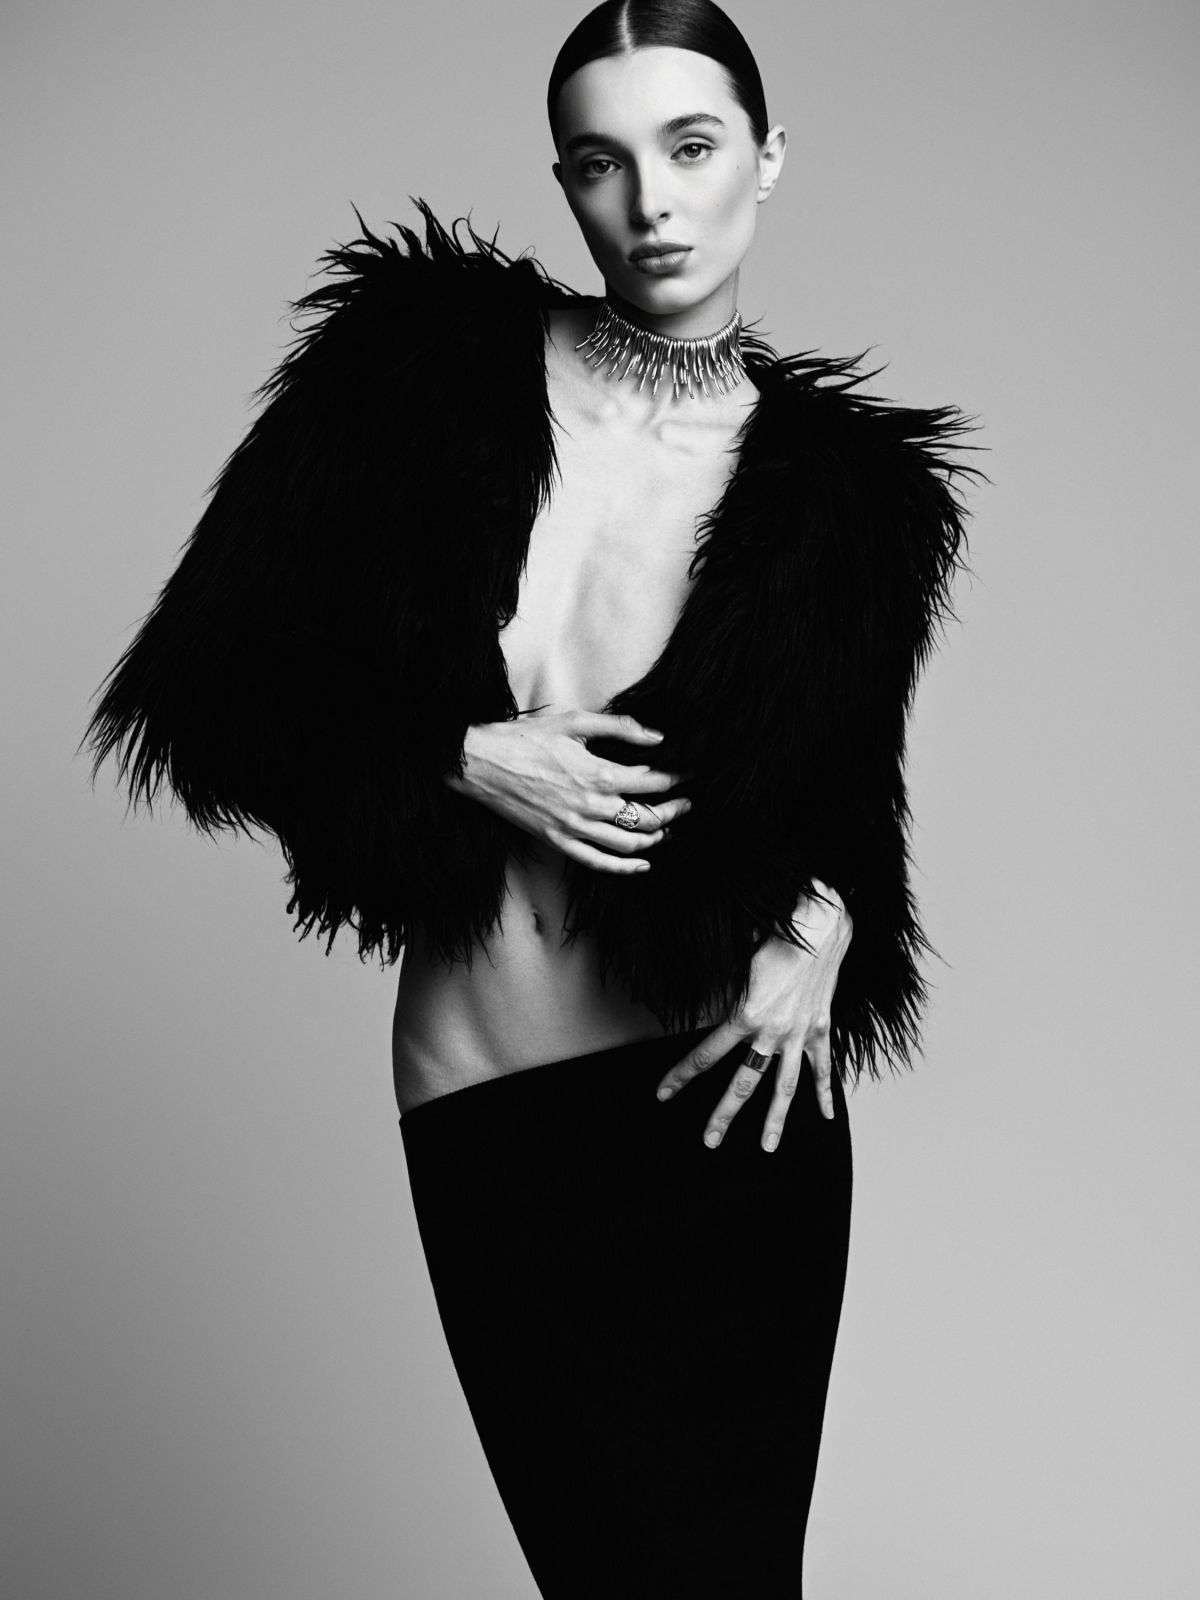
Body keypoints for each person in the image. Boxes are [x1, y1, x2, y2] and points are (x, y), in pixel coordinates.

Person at [83, 1, 977, 1593]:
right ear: (564, 182)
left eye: (692, 148)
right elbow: (202, 699)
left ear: (768, 159)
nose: (653, 204)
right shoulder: (415, 374)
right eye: (602, 162)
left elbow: (847, 820)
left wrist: (829, 932)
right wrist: (461, 748)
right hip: (493, 1106)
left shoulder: (858, 508)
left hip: (729, 1112)